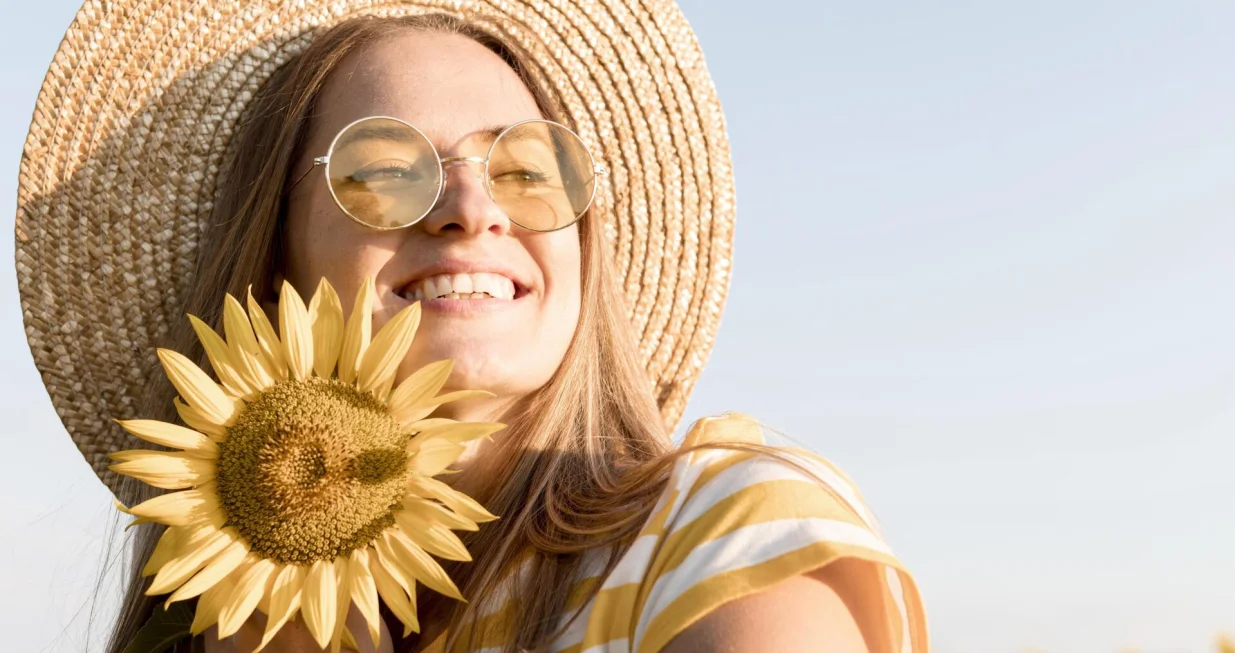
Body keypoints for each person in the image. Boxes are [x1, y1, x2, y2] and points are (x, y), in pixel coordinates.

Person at [14, 2, 927, 652]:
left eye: (528, 166)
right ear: (275, 255)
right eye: (383, 167)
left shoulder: (722, 532)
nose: (471, 207)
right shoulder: (224, 617)